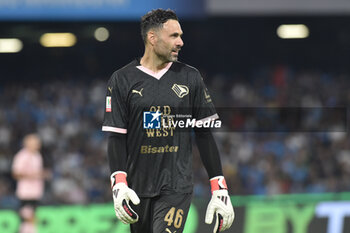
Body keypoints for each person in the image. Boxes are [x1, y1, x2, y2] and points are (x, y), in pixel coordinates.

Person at [102, 9, 234, 233]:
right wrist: (119, 183)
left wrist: (219, 187)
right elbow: (116, 137)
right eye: (174, 36)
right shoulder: (122, 79)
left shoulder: (190, 77)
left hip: (176, 186)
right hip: (137, 188)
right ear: (152, 38)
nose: (181, 42)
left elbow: (204, 134)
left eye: (180, 35)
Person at [12, 134, 48, 233]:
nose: (38, 145)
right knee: (27, 218)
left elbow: (37, 172)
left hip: (35, 192)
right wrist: (32, 176)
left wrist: (42, 174)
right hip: (26, 192)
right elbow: (16, 174)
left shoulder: (37, 156)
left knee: (32, 218)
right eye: (36, 143)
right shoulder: (21, 156)